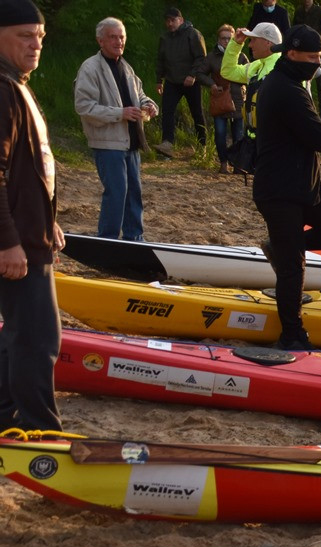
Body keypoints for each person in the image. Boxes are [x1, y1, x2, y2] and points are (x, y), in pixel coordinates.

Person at [253, 25, 321, 351]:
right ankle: (292, 335)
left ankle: (284, 245)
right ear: (292, 53)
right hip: (279, 193)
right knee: (292, 268)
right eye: (312, 57)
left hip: (306, 188)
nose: (317, 64)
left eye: (320, 57)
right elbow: (320, 139)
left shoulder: (291, 83)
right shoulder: (286, 89)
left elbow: (309, 138)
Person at [0, 0, 63, 431]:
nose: (35, 44)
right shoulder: (1, 89)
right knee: (39, 339)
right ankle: (42, 432)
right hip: (16, 242)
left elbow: (32, 166)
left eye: (39, 36)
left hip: (28, 232)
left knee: (16, 339)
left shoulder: (16, 83)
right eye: (25, 35)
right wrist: (8, 241)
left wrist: (48, 220)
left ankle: (6, 422)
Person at [74, 17, 159, 241]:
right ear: (100, 40)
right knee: (117, 194)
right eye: (113, 37)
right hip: (107, 143)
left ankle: (134, 240)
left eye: (121, 37)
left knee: (134, 194)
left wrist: (149, 105)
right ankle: (108, 240)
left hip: (131, 141)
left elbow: (140, 95)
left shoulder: (126, 66)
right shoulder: (90, 68)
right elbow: (83, 106)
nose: (118, 41)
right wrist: (119, 114)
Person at [220, 22, 282, 175]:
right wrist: (236, 44)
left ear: (268, 42)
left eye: (254, 40)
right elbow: (228, 72)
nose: (251, 44)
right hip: (256, 141)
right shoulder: (256, 67)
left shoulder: (284, 67)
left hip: (277, 144)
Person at [154, 7, 207, 158]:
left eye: (173, 20)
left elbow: (201, 57)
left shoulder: (193, 34)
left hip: (191, 81)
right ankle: (167, 144)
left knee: (197, 113)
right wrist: (159, 80)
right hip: (172, 80)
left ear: (181, 20)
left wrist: (193, 75)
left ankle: (202, 146)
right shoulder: (165, 38)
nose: (170, 23)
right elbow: (160, 60)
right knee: (167, 111)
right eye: (168, 21)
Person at [196, 24, 246, 174]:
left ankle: (238, 164)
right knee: (220, 133)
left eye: (228, 38)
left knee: (239, 135)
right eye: (223, 38)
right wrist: (211, 84)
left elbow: (250, 73)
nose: (225, 41)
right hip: (219, 98)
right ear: (218, 39)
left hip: (237, 98)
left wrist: (244, 86)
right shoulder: (211, 57)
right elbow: (200, 74)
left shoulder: (241, 56)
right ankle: (223, 163)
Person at [293, 0, 321, 119]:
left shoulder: (320, 12)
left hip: (318, 52)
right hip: (302, 51)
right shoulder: (299, 11)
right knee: (302, 81)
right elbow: (294, 30)